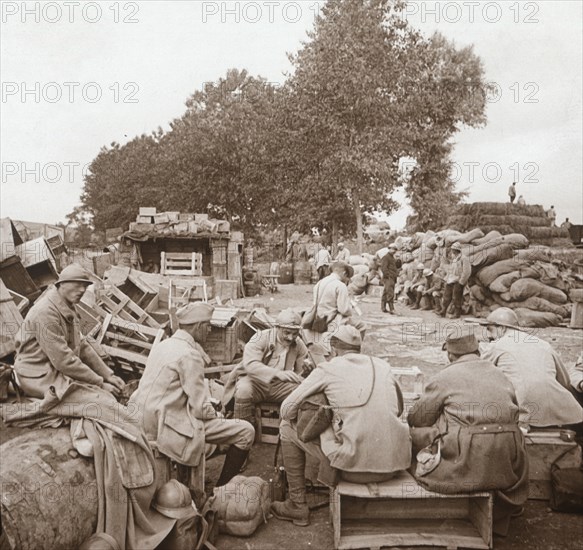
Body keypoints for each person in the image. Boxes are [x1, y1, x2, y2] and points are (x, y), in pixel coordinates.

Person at [272, 326, 411, 526]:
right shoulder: (383, 366)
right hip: (394, 465)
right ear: (359, 349)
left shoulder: (328, 368)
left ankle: (297, 505)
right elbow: (399, 409)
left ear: (334, 349)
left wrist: (321, 419)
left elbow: (286, 409)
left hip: (354, 471)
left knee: (286, 427)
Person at [408, 329, 528, 536]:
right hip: (509, 461)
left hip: (469, 459)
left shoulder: (445, 376)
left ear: (450, 355)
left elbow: (417, 419)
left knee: (414, 435)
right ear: (477, 350)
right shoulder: (499, 374)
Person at [130, 302, 255, 487]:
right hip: (163, 425)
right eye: (208, 327)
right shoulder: (190, 354)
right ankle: (220, 490)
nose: (210, 331)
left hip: (140, 418)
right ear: (198, 327)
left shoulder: (164, 344)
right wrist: (217, 414)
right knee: (246, 431)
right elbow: (199, 409)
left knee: (214, 431)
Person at [14, 263, 125, 398]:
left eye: (85, 286)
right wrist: (100, 383)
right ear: (62, 284)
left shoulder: (68, 307)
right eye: (78, 284)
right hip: (37, 376)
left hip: (54, 371)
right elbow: (64, 360)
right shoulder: (45, 312)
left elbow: (82, 346)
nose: (82, 290)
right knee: (98, 400)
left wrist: (109, 375)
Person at [478, 308, 583, 428]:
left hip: (525, 414)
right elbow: (565, 382)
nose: (488, 335)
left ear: (502, 328)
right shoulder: (544, 344)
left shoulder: (496, 347)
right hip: (564, 412)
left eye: (490, 330)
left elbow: (479, 379)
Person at [222, 309, 310, 429]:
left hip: (280, 386)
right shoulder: (260, 338)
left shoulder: (298, 344)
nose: (290, 338)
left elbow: (300, 374)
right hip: (255, 381)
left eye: (294, 334)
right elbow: (250, 365)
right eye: (287, 332)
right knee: (243, 389)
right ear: (277, 328)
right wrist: (277, 373)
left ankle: (287, 431)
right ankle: (243, 432)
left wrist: (307, 370)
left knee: (303, 392)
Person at [306, 262, 366, 335]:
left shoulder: (319, 283)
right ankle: (353, 344)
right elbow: (344, 310)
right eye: (347, 278)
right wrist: (351, 307)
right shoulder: (340, 285)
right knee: (361, 326)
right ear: (344, 273)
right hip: (332, 321)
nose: (347, 280)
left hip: (317, 319)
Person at [438, 242, 471, 319]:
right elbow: (451, 270)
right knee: (446, 295)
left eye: (453, 249)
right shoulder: (454, 258)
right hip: (451, 280)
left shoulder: (464, 258)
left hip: (458, 281)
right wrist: (447, 278)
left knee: (456, 297)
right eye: (452, 249)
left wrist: (461, 282)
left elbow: (467, 271)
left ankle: (457, 313)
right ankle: (443, 310)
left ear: (457, 250)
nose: (452, 251)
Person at [379, 244, 398, 314]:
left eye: (395, 250)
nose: (393, 251)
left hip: (392, 277)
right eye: (392, 249)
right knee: (390, 293)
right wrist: (387, 276)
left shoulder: (392, 258)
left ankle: (383, 308)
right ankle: (391, 309)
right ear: (389, 249)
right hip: (389, 278)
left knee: (385, 292)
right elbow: (384, 268)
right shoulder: (386, 257)